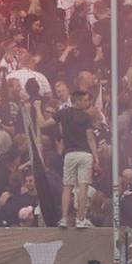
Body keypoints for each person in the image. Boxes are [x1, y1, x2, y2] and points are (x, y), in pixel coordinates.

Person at [41, 90, 97, 229]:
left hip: (70, 154)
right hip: (84, 154)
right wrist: (96, 156)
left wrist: (36, 109)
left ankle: (64, 218)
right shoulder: (86, 117)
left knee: (67, 187)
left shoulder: (62, 113)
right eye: (85, 100)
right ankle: (81, 219)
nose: (87, 103)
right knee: (83, 187)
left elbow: (43, 125)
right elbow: (90, 138)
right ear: (78, 101)